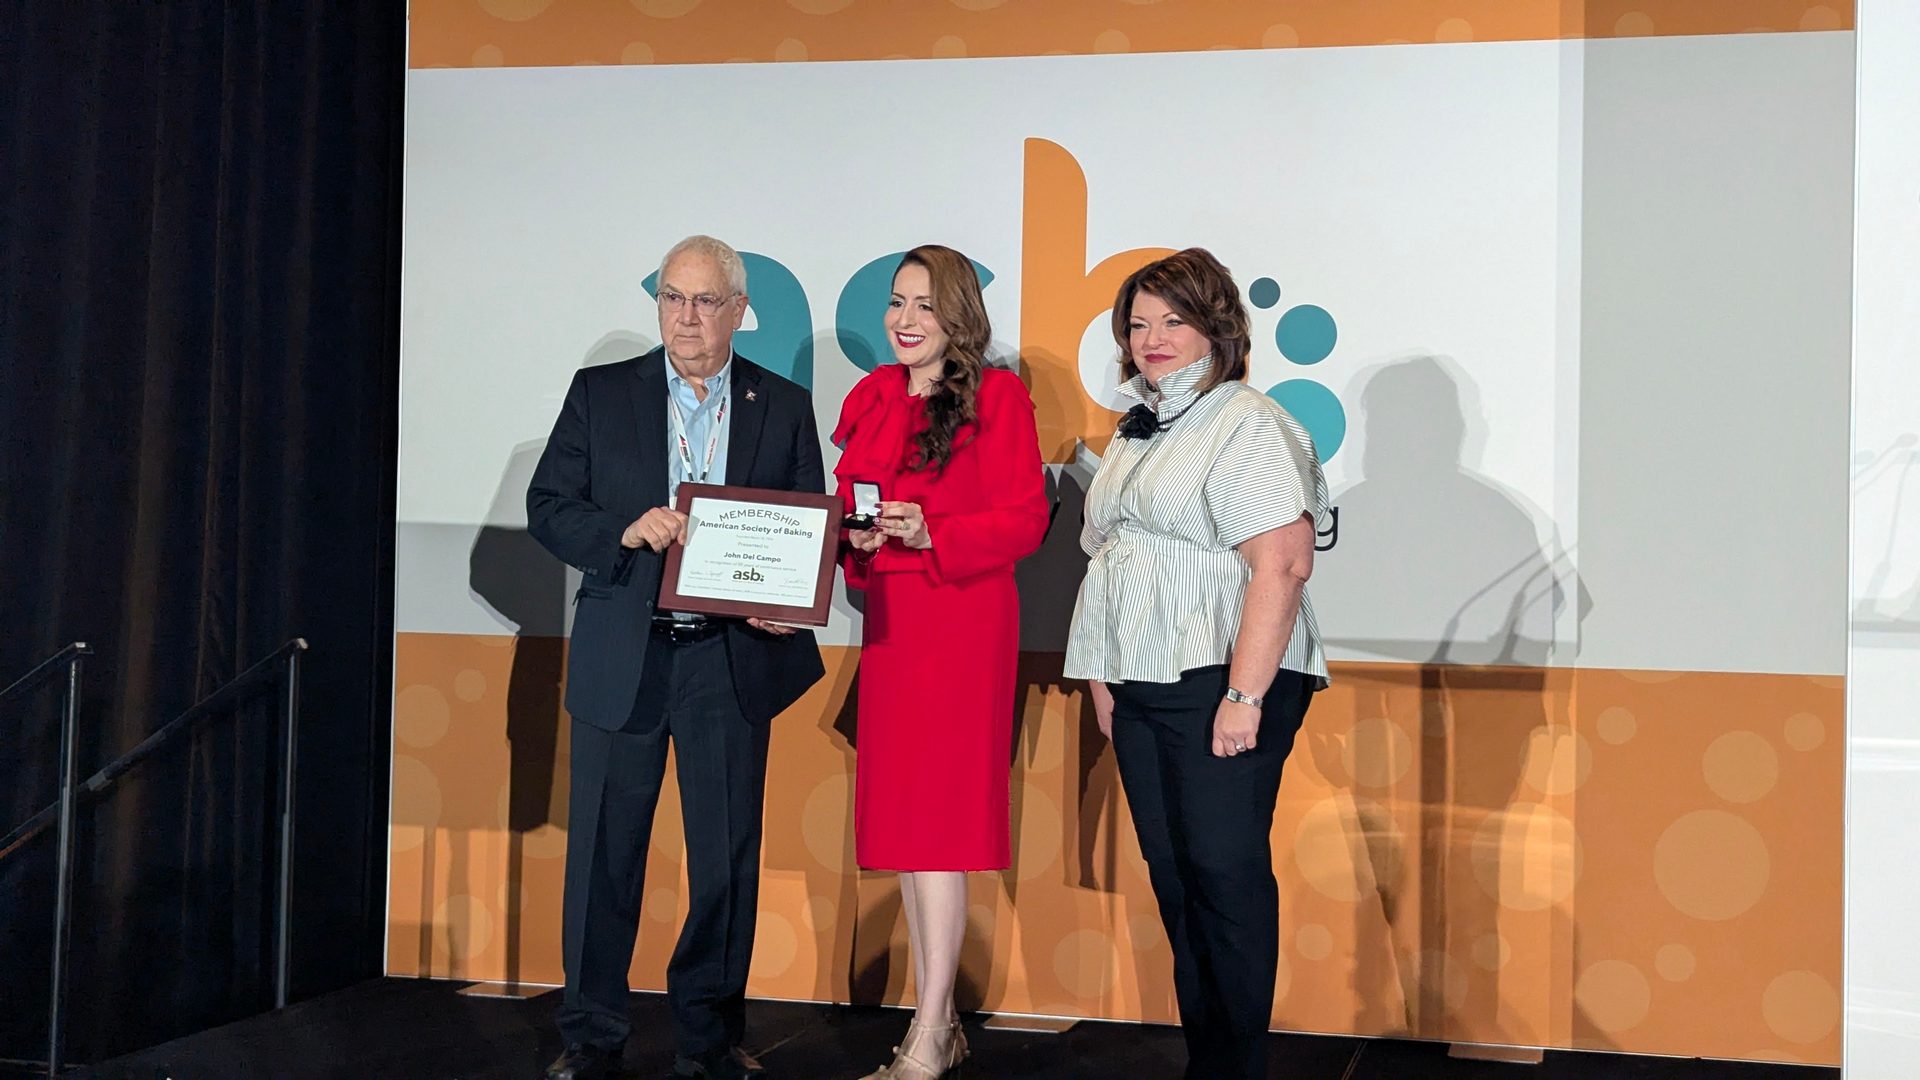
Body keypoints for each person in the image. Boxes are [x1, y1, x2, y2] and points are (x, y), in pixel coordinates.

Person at [526, 235, 826, 1080]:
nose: (686, 318)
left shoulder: (783, 404)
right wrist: (621, 531)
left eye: (704, 302)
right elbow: (548, 505)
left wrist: (784, 602)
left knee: (726, 857)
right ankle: (588, 1037)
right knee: (602, 860)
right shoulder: (600, 394)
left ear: (738, 312)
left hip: (727, 662)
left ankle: (709, 1039)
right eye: (671, 300)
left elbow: (809, 525)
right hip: (627, 654)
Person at [1063, 248, 1330, 1080]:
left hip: (1223, 679)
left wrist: (1244, 695)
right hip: (1143, 684)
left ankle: (1240, 1066)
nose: (1153, 337)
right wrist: (1106, 679)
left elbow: (1282, 562)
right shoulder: (1139, 428)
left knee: (1224, 875)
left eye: (1173, 320)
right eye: (1138, 323)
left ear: (1216, 326)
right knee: (1178, 880)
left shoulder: (1245, 420)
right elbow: (1109, 558)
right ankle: (1208, 1062)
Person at [830, 245, 1049, 1080]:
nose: (904, 320)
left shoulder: (999, 396)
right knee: (908, 831)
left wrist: (935, 533)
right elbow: (854, 517)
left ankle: (928, 1030)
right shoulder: (876, 396)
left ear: (958, 315)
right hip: (892, 626)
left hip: (961, 624)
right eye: (896, 302)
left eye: (923, 304)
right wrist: (858, 542)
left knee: (942, 829)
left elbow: (1027, 518)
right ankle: (939, 1022)